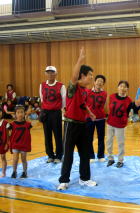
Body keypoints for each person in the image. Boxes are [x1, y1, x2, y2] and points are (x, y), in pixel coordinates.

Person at [57, 48, 97, 190]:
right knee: (68, 154)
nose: (92, 77)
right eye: (90, 75)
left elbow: (82, 104)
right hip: (71, 124)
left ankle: (84, 178)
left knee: (85, 153)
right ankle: (64, 180)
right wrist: (80, 58)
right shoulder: (73, 87)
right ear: (82, 75)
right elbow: (74, 76)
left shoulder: (84, 91)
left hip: (83, 125)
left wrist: (90, 113)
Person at [39, 66, 66, 164]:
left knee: (58, 135)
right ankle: (50, 155)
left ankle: (59, 156)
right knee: (47, 135)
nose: (50, 74)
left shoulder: (61, 86)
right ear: (46, 74)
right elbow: (42, 99)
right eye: (48, 72)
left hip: (56, 113)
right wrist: (46, 108)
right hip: (46, 113)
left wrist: (59, 109)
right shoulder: (42, 85)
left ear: (56, 73)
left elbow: (64, 101)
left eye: (52, 72)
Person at [106, 80, 133, 168]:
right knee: (109, 141)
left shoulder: (129, 100)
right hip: (110, 123)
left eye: (125, 86)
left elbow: (129, 113)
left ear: (127, 89)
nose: (122, 88)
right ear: (118, 87)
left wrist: (126, 120)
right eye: (121, 86)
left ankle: (120, 160)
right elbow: (109, 109)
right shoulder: (112, 96)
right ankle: (110, 158)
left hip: (120, 125)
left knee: (120, 143)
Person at [86, 75, 107, 163]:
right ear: (94, 82)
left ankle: (100, 155)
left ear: (103, 84)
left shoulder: (104, 93)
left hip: (101, 119)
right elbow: (85, 104)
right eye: (98, 80)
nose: (99, 82)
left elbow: (104, 106)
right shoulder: (87, 92)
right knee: (89, 138)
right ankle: (91, 156)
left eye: (101, 81)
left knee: (101, 137)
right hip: (89, 118)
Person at [8, 105, 32, 178]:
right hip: (15, 144)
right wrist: (8, 143)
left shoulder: (28, 124)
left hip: (24, 145)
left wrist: (28, 115)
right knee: (15, 159)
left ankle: (24, 172)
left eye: (22, 112)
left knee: (24, 159)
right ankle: (14, 171)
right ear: (15, 114)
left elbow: (28, 134)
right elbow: (8, 134)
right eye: (18, 112)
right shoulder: (12, 124)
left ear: (24, 113)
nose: (20, 114)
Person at [0, 107, 10, 177]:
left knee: (3, 157)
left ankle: (3, 172)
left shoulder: (5, 123)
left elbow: (8, 134)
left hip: (3, 143)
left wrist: (7, 143)